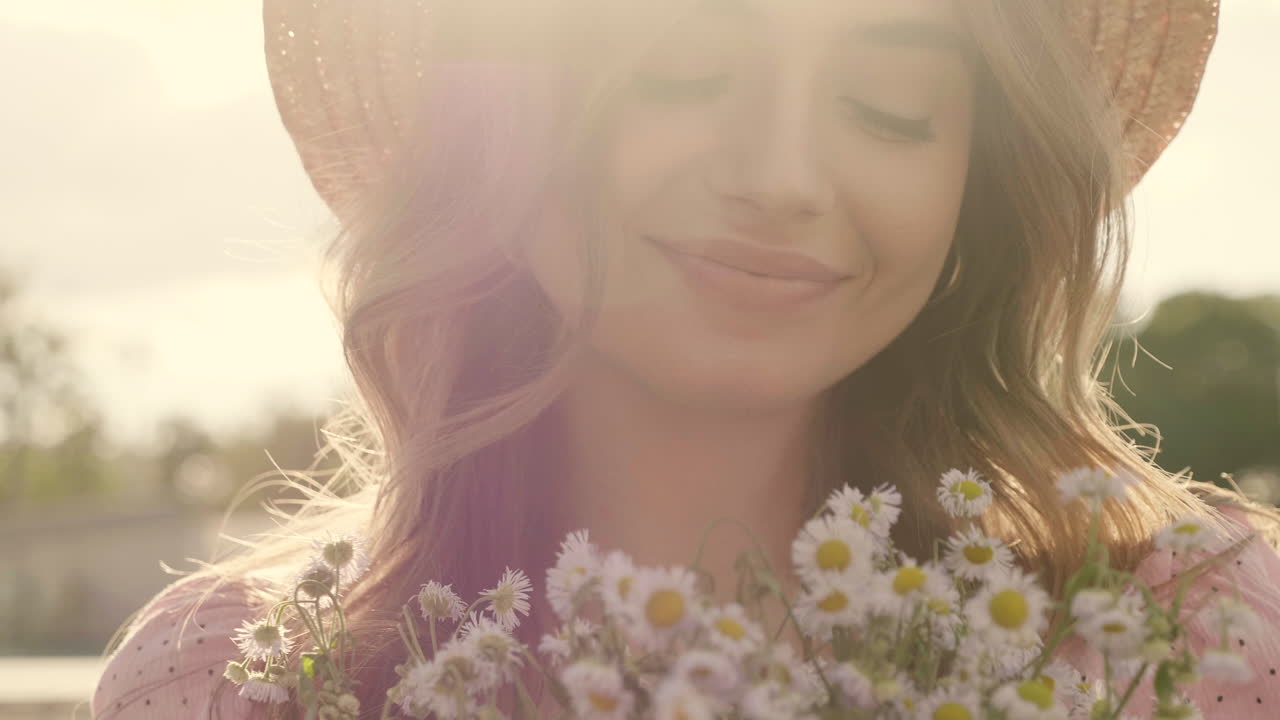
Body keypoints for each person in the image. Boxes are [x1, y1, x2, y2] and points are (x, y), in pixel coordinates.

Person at [91, 0, 1280, 718]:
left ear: (979, 183)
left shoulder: (1183, 643)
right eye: (677, 66)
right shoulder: (230, 681)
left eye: (889, 102)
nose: (780, 174)